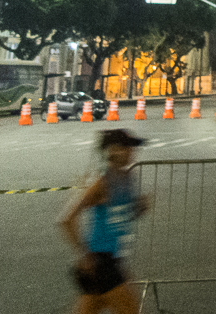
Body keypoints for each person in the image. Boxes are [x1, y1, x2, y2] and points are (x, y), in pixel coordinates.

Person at [61, 128, 151, 314]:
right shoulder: (102, 183)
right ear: (113, 150)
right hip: (101, 263)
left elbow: (120, 215)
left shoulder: (126, 177)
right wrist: (85, 256)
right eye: (127, 147)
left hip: (109, 261)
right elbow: (66, 220)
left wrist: (138, 208)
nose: (132, 152)